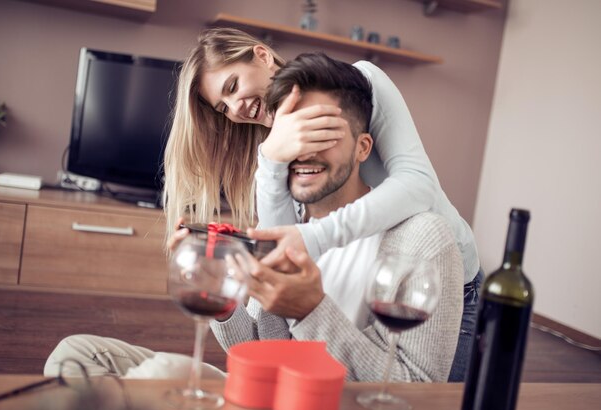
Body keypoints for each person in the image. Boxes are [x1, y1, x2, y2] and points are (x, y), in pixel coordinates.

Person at [44, 53, 463, 383]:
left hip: (326, 396)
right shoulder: (289, 223)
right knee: (76, 354)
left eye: (318, 130)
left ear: (363, 147)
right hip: (262, 385)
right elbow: (266, 346)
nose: (302, 149)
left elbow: (406, 391)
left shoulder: (418, 240)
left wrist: (311, 308)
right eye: (288, 136)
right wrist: (224, 298)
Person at [164, 27, 480, 381]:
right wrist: (269, 160)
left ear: (262, 56)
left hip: (430, 272)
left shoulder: (359, 84)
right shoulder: (274, 150)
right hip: (350, 273)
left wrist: (313, 238)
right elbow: (280, 255)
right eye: (223, 107)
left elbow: (417, 184)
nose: (235, 108)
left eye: (233, 86)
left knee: (428, 401)